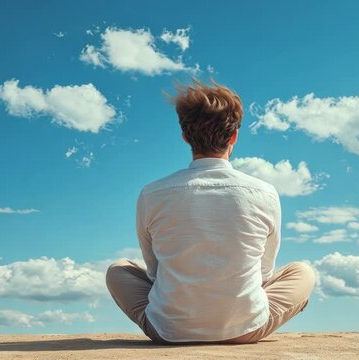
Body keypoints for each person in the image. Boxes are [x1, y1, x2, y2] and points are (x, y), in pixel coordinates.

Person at [106, 79, 316, 344]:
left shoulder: (151, 193)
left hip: (169, 331)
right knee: (303, 272)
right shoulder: (265, 192)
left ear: (184, 137)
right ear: (234, 136)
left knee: (118, 270)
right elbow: (264, 272)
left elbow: (155, 271)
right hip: (245, 328)